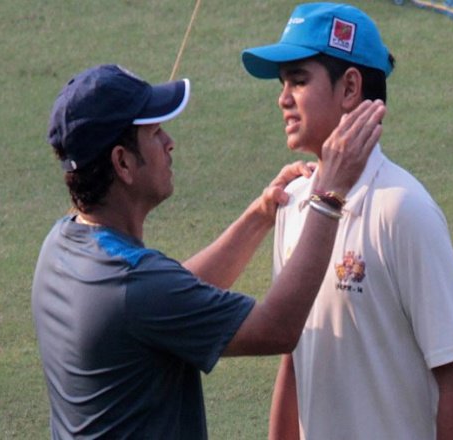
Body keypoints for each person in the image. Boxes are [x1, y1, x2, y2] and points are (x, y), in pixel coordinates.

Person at [31, 63, 385, 439]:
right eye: (154, 133)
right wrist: (328, 196)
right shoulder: (134, 287)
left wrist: (258, 217)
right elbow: (276, 329)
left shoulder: (62, 244)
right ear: (122, 162)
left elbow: (171, 297)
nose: (170, 142)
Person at [241, 3, 453, 439]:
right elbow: (293, 360)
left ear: (350, 87)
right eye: (282, 84)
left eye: (298, 80)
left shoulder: (403, 209)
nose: (283, 98)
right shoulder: (293, 203)